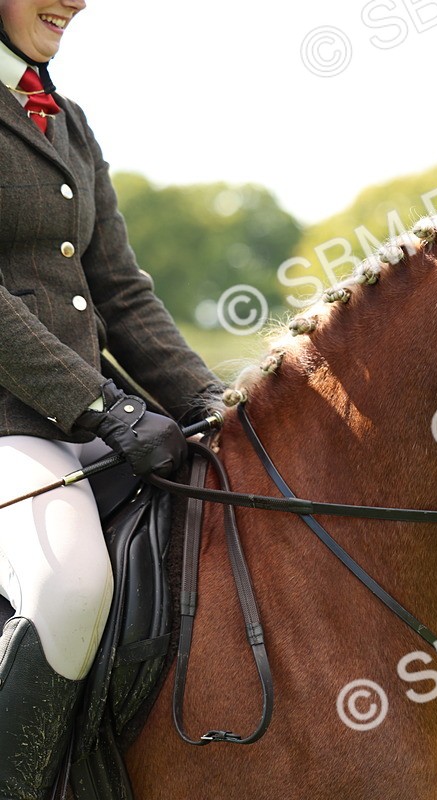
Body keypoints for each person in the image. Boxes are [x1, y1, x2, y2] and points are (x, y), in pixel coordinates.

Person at [0, 2, 222, 796]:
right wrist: (102, 407)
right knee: (69, 587)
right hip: (12, 424)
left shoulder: (67, 119)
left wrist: (211, 403)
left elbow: (120, 290)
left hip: (85, 422)